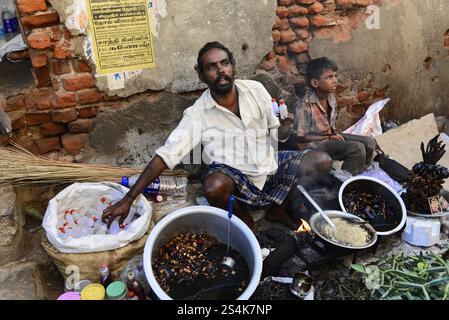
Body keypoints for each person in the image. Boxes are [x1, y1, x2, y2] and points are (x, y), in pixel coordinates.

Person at [102, 42, 332, 231]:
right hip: (236, 179)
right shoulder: (197, 114)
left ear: (233, 67)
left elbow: (278, 135)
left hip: (268, 168)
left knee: (320, 161)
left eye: (224, 63)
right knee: (214, 186)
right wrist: (129, 198)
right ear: (202, 75)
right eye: (211, 67)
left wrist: (285, 127)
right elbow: (166, 156)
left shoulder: (256, 90)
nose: (220, 70)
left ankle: (277, 209)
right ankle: (246, 224)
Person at [293, 57, 376, 176]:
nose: (335, 80)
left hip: (329, 137)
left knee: (369, 142)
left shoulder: (330, 97)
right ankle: (345, 183)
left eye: (335, 76)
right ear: (315, 83)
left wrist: (332, 135)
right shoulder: (304, 106)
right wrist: (330, 136)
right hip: (314, 147)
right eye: (329, 77)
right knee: (357, 149)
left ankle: (361, 174)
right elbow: (301, 138)